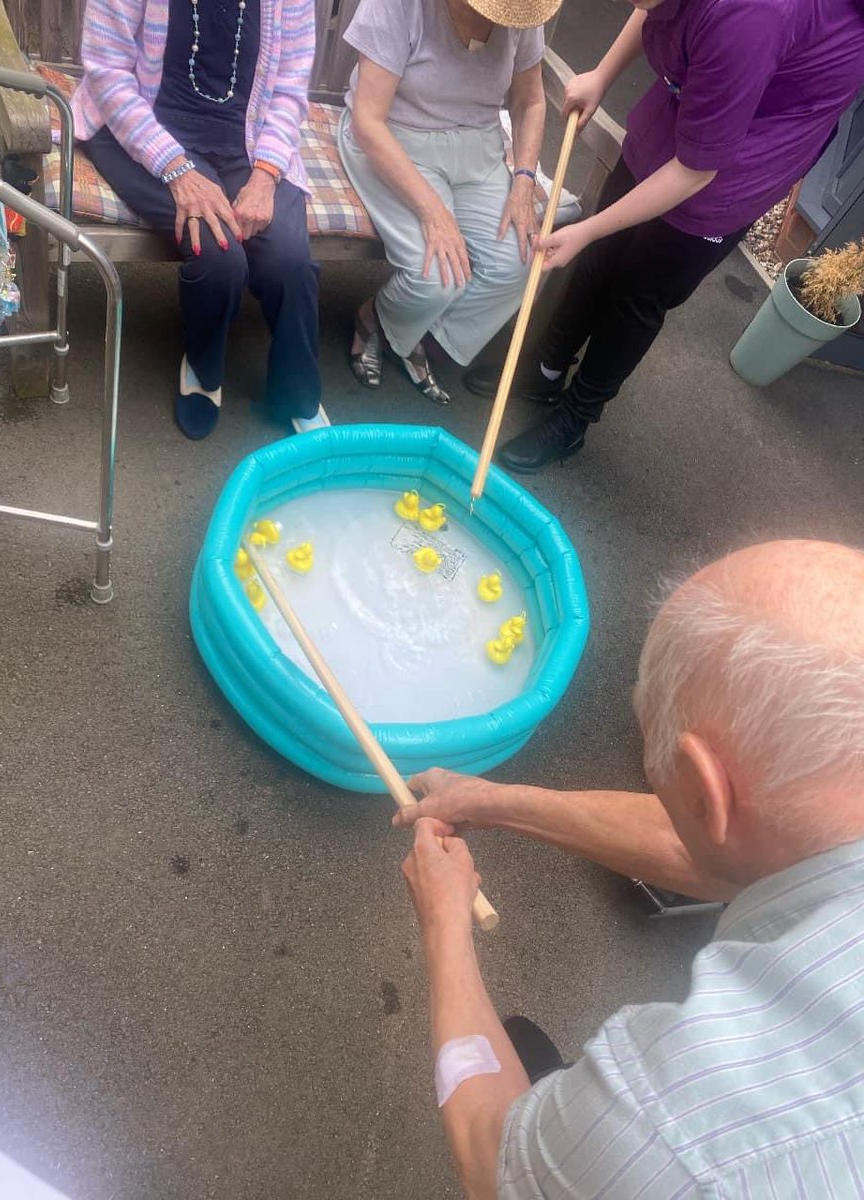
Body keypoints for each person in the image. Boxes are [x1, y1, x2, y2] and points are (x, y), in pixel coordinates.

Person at [396, 538, 864, 1197]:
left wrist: (443, 921)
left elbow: (490, 1159)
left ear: (706, 791)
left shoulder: (671, 1126)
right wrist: (494, 802)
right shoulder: (832, 801)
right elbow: (715, 851)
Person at [464, 0, 864, 471]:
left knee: (638, 294)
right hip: (697, 92)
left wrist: (587, 230)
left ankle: (575, 418)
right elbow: (652, 7)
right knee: (602, 258)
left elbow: (696, 171)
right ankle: (546, 371)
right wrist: (603, 74)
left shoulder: (749, 19)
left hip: (745, 150)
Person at [71, 0, 328, 441]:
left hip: (246, 141)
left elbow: (288, 91)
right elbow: (108, 74)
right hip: (139, 128)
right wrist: (176, 168)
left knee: (289, 258)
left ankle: (296, 391)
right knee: (220, 254)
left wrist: (266, 175)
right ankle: (204, 365)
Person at [338, 0, 555, 406]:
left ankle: (400, 331)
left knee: (522, 262)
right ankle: (376, 321)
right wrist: (434, 211)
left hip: (480, 148)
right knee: (437, 277)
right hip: (395, 139)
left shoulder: (523, 9)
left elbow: (531, 101)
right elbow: (368, 121)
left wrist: (524, 181)